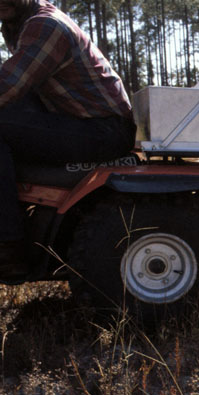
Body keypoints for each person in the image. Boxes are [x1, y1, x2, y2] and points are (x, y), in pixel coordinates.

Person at [0, 0, 135, 278]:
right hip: (78, 120)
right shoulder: (15, 25)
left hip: (102, 130)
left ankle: (9, 245)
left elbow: (8, 85)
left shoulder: (45, 25)